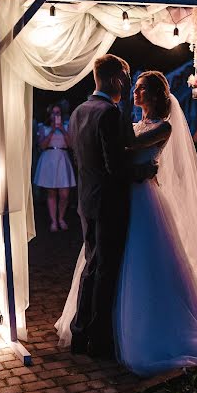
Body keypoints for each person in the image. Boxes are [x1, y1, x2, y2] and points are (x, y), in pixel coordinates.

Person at [56, 70, 197, 377]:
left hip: (145, 200)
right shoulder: (133, 123)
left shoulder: (162, 127)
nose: (134, 94)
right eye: (133, 89)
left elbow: (128, 149)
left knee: (141, 262)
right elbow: (122, 150)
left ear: (152, 95)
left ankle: (143, 327)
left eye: (139, 90)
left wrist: (116, 138)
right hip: (125, 197)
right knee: (114, 263)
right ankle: (109, 326)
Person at [65, 55, 157, 358]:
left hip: (86, 200)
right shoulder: (110, 113)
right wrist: (144, 172)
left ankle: (80, 334)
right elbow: (115, 168)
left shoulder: (80, 111)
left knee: (92, 267)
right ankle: (98, 340)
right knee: (105, 271)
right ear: (118, 78)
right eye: (127, 78)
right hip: (109, 203)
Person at [33, 103, 76, 232]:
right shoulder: (43, 128)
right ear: (50, 114)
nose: (56, 115)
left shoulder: (67, 126)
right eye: (54, 112)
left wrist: (62, 129)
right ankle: (54, 221)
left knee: (64, 193)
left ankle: (61, 217)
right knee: (51, 192)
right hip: (49, 159)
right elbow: (42, 145)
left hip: (62, 159)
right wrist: (52, 130)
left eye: (58, 113)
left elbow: (71, 144)